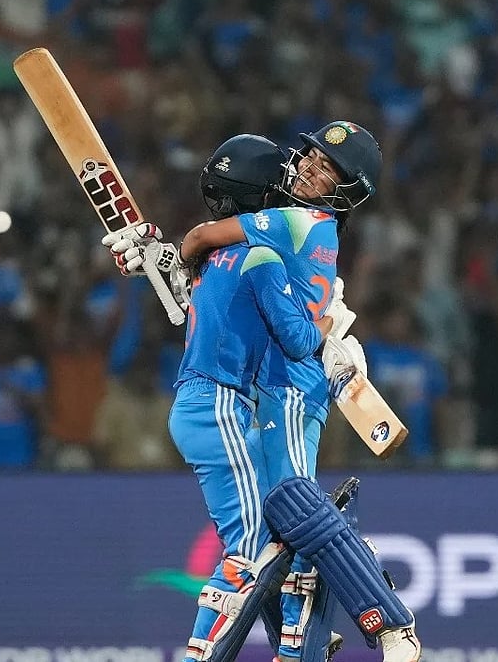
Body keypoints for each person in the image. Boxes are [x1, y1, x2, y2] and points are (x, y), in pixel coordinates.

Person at [109, 124, 421, 662]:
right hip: (267, 390)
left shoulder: (292, 223)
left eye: (328, 169)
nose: (308, 167)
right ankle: (302, 643)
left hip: (292, 388)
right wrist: (164, 268)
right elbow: (214, 300)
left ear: (349, 190)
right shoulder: (279, 238)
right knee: (280, 529)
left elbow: (200, 241)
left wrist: (165, 254)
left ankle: (386, 623)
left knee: (294, 514)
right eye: (313, 157)